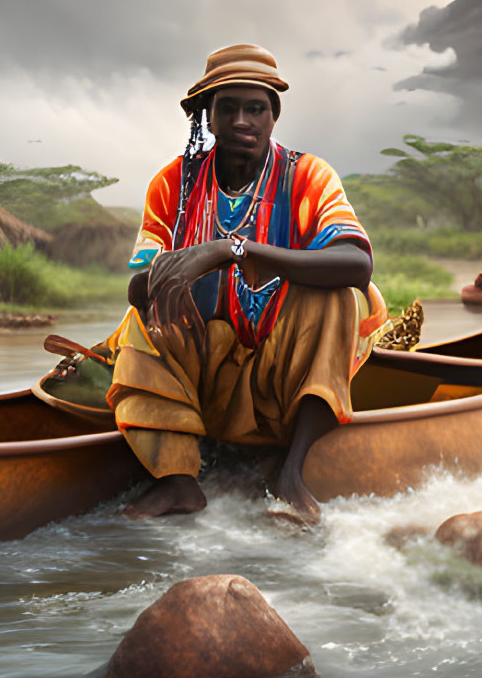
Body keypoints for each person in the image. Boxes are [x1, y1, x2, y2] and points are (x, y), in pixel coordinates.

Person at [101, 44, 386, 523]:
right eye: (227, 108)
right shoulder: (173, 183)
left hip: (284, 379)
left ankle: (291, 472)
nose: (241, 121)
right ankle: (177, 479)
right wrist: (171, 273)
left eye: (255, 108)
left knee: (339, 299)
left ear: (273, 116)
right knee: (144, 315)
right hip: (206, 376)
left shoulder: (308, 176)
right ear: (208, 118)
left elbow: (356, 263)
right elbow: (138, 284)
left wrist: (231, 249)